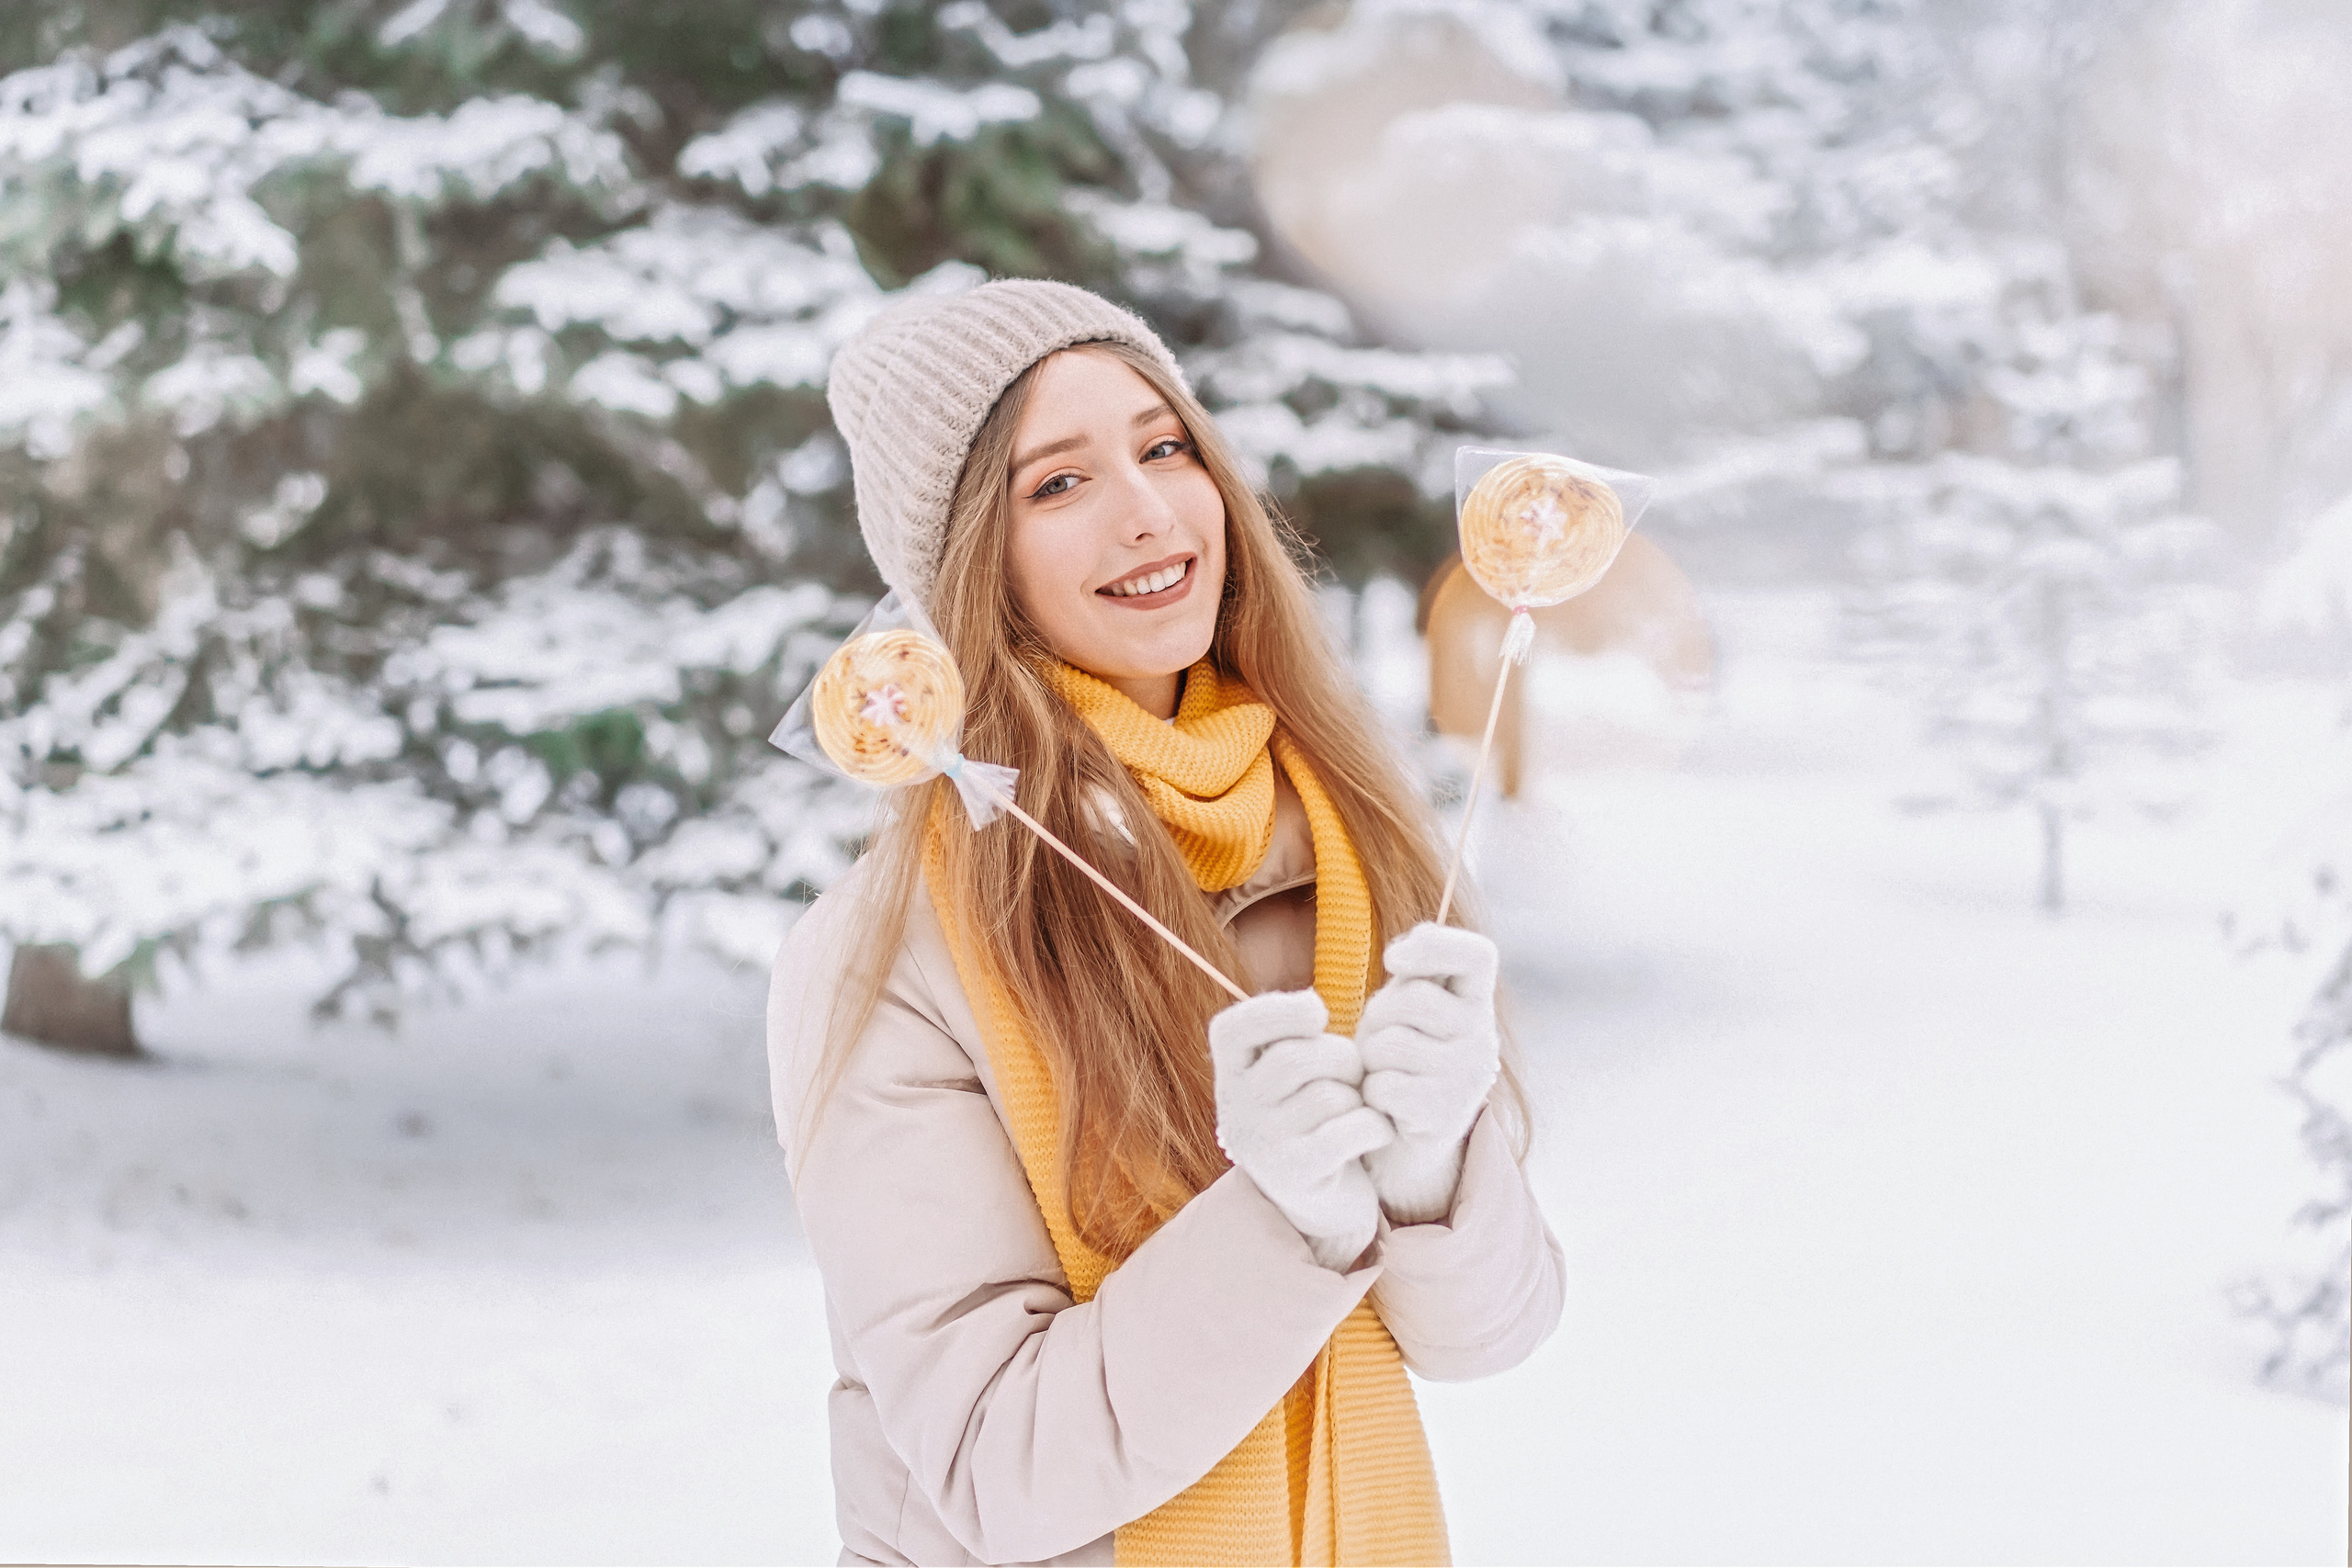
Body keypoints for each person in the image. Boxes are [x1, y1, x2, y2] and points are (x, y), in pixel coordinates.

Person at [767, 278, 1564, 1568]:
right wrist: (1286, 1221)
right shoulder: (889, 952)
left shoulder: (1358, 837)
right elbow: (993, 1468)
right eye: (1057, 485)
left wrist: (1426, 1179)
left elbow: (1492, 1335)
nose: (1148, 515)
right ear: (974, 559)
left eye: (1164, 446)